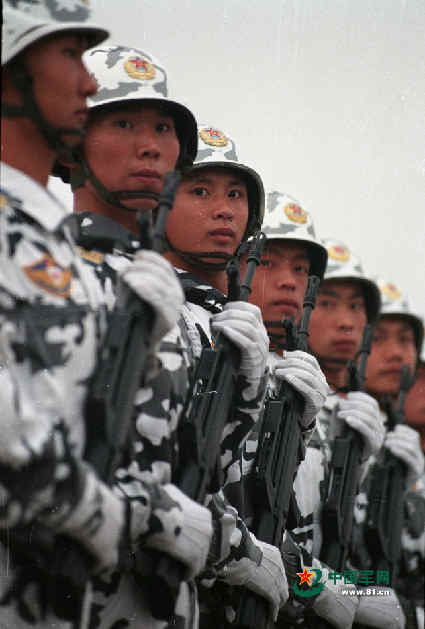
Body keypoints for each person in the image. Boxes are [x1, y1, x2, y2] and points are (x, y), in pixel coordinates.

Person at [1, 9, 197, 628]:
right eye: (68, 56)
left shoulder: (67, 256)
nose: (87, 83)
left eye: (163, 128)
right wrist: (106, 512)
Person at [53, 44, 215, 628]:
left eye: (163, 129)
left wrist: (250, 401)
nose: (150, 146)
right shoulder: (37, 268)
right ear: (73, 140)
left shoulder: (184, 308)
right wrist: (159, 516)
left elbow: (201, 477)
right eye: (124, 124)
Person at [163, 125, 289, 625]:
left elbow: (284, 536)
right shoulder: (154, 308)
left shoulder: (242, 331)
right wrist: (333, 587)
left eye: (236, 195)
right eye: (201, 191)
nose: (224, 210)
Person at [351, 280, 425, 629]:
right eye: (378, 338)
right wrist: (347, 593)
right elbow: (299, 568)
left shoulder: (402, 447)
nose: (396, 354)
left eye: (406, 340)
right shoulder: (315, 427)